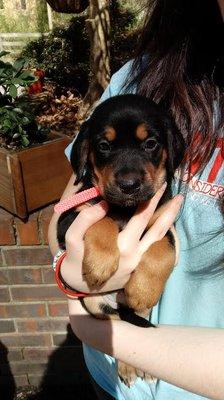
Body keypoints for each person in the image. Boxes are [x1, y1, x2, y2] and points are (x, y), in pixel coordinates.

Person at [48, 0, 224, 399]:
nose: (129, 174)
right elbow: (66, 209)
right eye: (107, 150)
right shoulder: (141, 76)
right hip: (109, 377)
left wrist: (108, 333)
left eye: (150, 145)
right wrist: (66, 271)